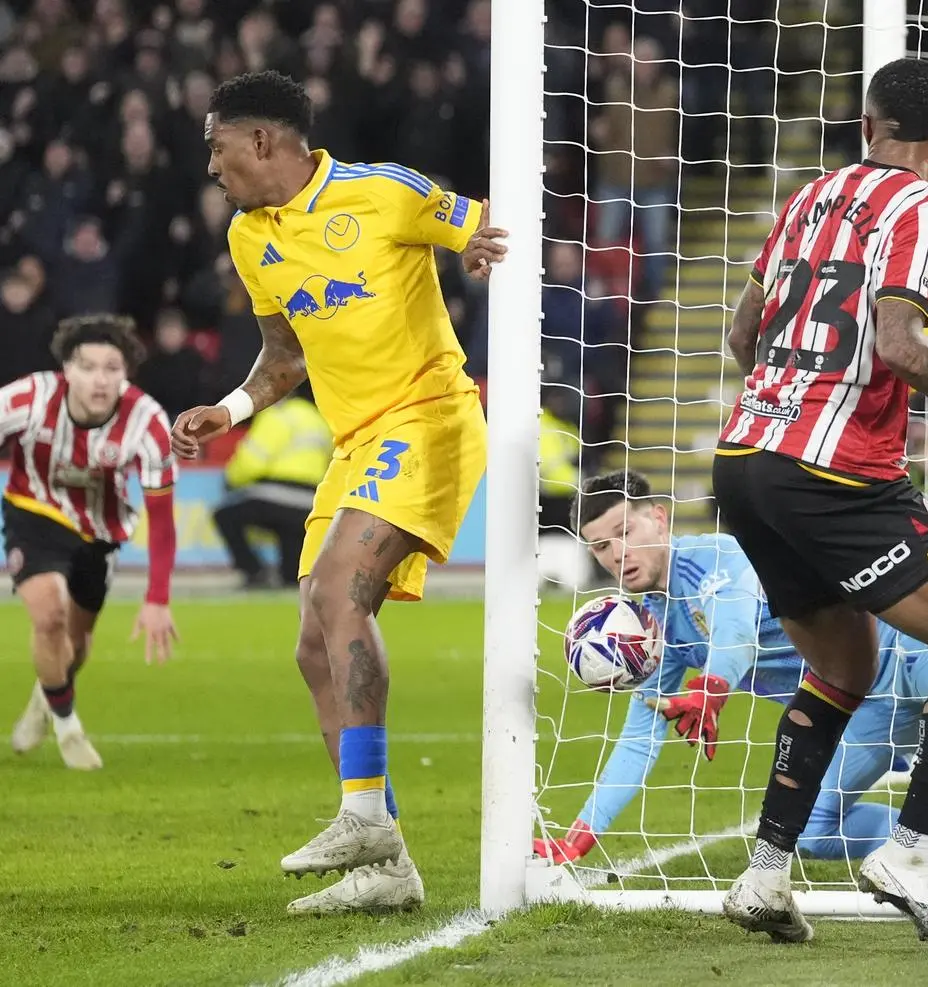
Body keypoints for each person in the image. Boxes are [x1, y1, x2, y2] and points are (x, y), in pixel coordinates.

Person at [711, 57, 928, 952]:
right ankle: (915, 848)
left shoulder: (808, 197)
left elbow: (741, 334)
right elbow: (897, 344)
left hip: (745, 456)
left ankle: (765, 874)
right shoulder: (927, 212)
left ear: (864, 127)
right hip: (833, 469)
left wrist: (789, 413)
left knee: (843, 670)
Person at [169, 70, 507, 915]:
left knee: (336, 593)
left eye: (215, 146)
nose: (210, 167)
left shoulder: (383, 192)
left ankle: (360, 814)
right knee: (314, 644)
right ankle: (388, 863)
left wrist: (475, 242)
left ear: (259, 140)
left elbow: (484, 221)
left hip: (429, 416)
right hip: (355, 442)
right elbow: (285, 356)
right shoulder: (251, 239)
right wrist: (232, 406)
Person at [534, 470, 928, 867]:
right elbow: (638, 741)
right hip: (853, 710)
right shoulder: (656, 631)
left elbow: (733, 624)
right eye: (601, 548)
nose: (617, 556)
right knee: (810, 832)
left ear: (659, 518)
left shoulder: (717, 555)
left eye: (625, 533)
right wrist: (579, 837)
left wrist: (712, 689)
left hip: (893, 649)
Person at [2, 314, 179, 770]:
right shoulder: (28, 398)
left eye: (111, 368)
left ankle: (46, 698)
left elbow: (161, 520)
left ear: (126, 373)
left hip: (100, 533)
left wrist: (157, 598)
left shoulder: (148, 422)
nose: (99, 380)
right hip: (33, 512)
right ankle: (67, 727)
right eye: (87, 366)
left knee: (75, 643)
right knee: (49, 615)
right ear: (66, 369)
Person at [211, 383, 331, 589]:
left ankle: (254, 571)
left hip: (273, 495)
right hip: (309, 501)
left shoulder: (277, 416)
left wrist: (231, 479)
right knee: (291, 574)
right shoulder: (317, 417)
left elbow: (251, 462)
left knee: (224, 516)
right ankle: (288, 578)